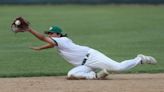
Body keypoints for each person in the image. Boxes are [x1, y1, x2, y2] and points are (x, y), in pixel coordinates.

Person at [26, 25, 157, 80]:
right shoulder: (58, 42)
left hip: (92, 56)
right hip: (85, 65)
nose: (49, 35)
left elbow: (45, 39)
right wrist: (39, 48)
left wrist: (29, 29)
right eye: (48, 33)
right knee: (71, 75)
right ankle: (96, 76)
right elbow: (49, 44)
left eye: (51, 33)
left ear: (58, 34)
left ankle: (140, 59)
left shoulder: (63, 40)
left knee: (118, 68)